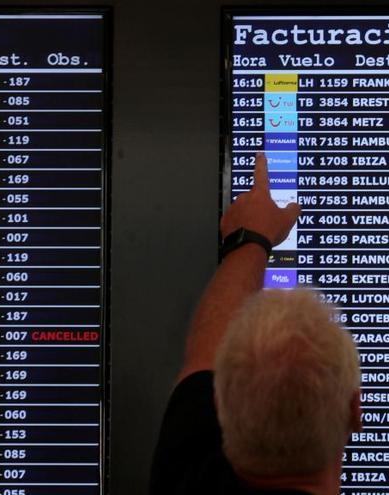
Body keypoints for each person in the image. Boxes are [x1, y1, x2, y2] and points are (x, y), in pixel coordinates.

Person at [150, 152, 362, 495]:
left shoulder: (186, 480)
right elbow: (203, 363)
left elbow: (204, 353)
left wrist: (250, 239)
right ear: (355, 411)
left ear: (219, 404)